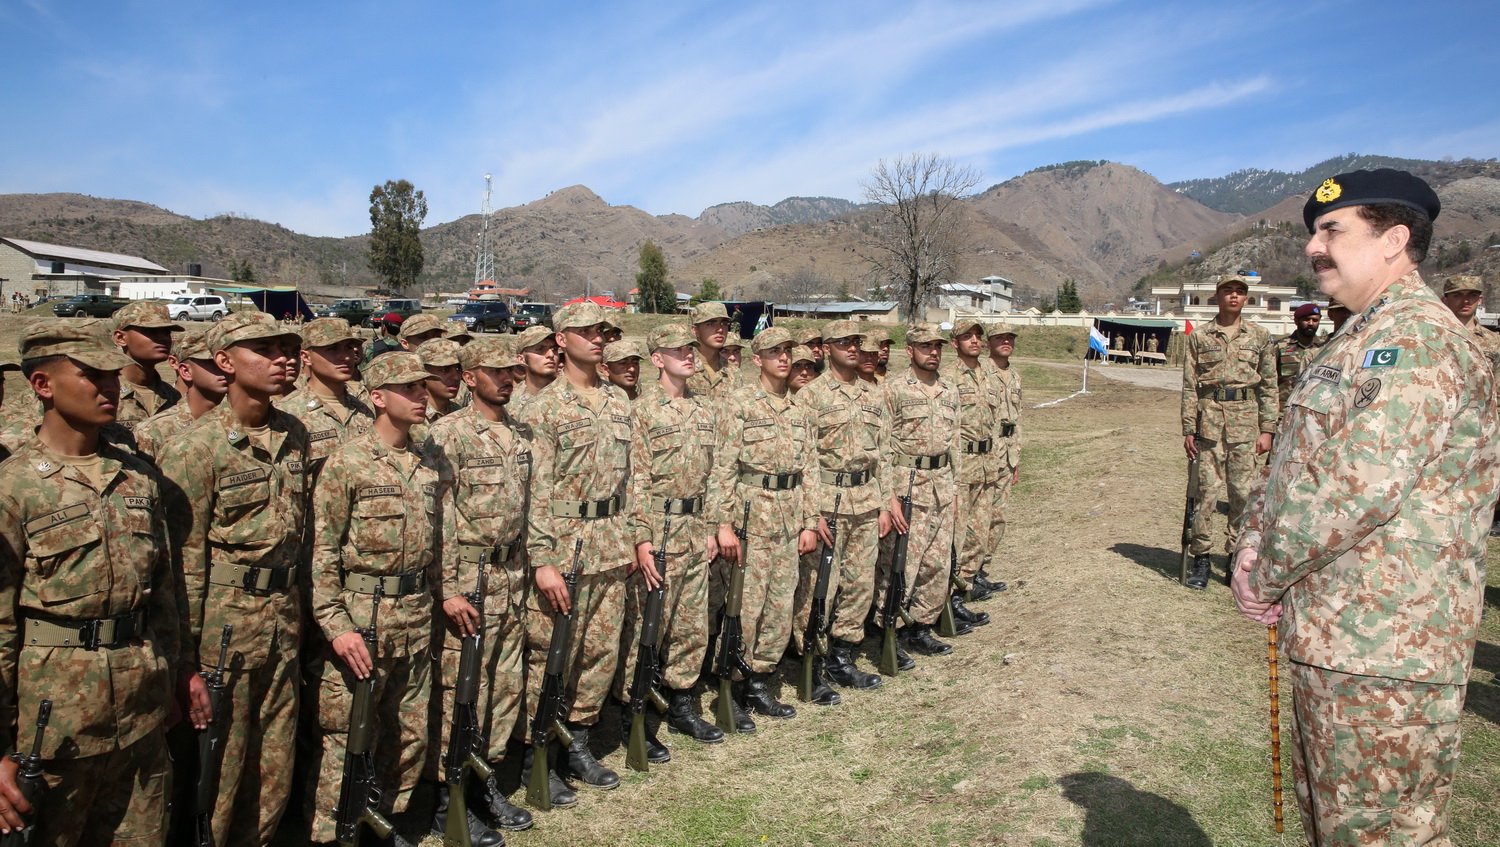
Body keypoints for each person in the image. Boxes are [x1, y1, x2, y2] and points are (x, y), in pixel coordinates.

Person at [1231, 168, 1499, 846]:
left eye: (1331, 231)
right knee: (1339, 824)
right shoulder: (1352, 339)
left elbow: (1355, 485)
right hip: (1342, 641)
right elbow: (1298, 462)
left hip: (1387, 655)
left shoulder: (1416, 338)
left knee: (1378, 833)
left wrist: (1261, 575)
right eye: (1314, 233)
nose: (1314, 248)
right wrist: (1253, 538)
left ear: (1393, 239)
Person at [0, 321, 186, 846]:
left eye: (114, 375)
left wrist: (169, 677)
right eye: (92, 376)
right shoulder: (14, 487)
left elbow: (164, 595)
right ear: (42, 385)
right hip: (53, 724)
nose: (113, 388)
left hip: (140, 708)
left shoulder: (138, 478)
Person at [157, 312, 311, 847]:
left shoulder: (295, 434)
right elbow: (182, 564)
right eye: (264, 350)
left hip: (282, 624)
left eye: (288, 348)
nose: (282, 358)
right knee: (217, 769)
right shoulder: (195, 448)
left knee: (275, 763)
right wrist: (184, 663)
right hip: (223, 634)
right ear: (224, 362)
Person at [305, 351, 450, 845]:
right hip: (363, 619)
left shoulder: (429, 459)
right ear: (377, 398)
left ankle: (386, 820)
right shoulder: (347, 462)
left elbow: (439, 542)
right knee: (350, 736)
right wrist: (336, 625)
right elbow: (321, 551)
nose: (419, 397)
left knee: (409, 734)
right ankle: (333, 831)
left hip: (416, 613)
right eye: (407, 389)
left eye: (421, 388)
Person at [512, 301, 634, 797]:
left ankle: (578, 741)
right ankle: (536, 753)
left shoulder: (620, 402)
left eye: (601, 331)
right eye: (585, 331)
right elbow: (533, 492)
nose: (597, 339)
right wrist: (542, 560)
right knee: (551, 654)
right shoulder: (540, 408)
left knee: (600, 653)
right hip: (565, 545)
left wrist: (635, 538)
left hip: (611, 543)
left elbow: (634, 479)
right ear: (561, 340)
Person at [425, 337, 537, 831]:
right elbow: (438, 518)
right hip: (469, 578)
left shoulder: (522, 434)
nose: (507, 379)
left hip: (512, 575)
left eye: (512, 371)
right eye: (495, 372)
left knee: (505, 684)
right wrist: (446, 587)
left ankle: (482, 779)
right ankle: (448, 793)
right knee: (460, 687)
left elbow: (534, 508)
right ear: (468, 377)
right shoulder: (446, 435)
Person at [616, 323, 726, 757]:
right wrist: (641, 539)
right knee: (649, 628)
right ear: (657, 359)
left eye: (690, 348)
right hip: (658, 528)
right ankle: (635, 713)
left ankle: (682, 705)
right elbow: (635, 480)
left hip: (696, 529)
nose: (688, 354)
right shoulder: (641, 411)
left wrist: (715, 524)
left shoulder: (706, 410)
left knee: (691, 627)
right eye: (677, 349)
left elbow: (717, 473)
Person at [708, 326, 819, 728]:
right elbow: (722, 467)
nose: (784, 359)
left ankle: (760, 680)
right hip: (750, 520)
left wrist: (810, 521)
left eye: (788, 351)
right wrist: (721, 524)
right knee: (745, 609)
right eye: (774, 353)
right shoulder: (737, 403)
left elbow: (811, 470)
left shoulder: (801, 408)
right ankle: (732, 684)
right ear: (757, 359)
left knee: (779, 606)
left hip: (790, 520)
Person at [791, 320, 889, 694]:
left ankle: (842, 658)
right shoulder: (810, 396)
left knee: (859, 584)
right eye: (844, 342)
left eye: (856, 342)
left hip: (865, 500)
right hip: (827, 500)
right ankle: (811, 661)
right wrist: (812, 513)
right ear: (827, 348)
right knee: (819, 587)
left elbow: (884, 454)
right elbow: (803, 460)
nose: (852, 348)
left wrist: (884, 501)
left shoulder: (873, 394)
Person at [1180, 274, 1277, 589]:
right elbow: (1189, 385)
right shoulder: (1200, 336)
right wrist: (1188, 428)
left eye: (1240, 292)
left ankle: (1237, 556)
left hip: (1245, 426)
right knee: (1206, 493)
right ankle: (1202, 560)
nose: (1234, 296)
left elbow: (1269, 386)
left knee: (1243, 494)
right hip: (1209, 425)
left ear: (1246, 298)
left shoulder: (1259, 336)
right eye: (1227, 291)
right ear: (1217, 296)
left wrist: (1268, 430)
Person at [875, 324, 961, 658]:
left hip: (942, 484)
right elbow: (880, 447)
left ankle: (922, 627)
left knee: (936, 563)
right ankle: (890, 629)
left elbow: (955, 442)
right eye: (926, 347)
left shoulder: (949, 389)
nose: (933, 352)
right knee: (901, 563)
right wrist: (888, 498)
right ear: (910, 351)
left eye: (937, 347)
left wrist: (955, 489)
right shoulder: (893, 389)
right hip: (907, 484)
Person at [946, 318, 1000, 621]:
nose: (975, 341)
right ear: (956, 343)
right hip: (962, 465)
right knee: (956, 535)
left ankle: (964, 589)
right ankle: (947, 598)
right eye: (968, 336)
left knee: (978, 535)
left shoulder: (988, 376)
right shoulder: (949, 378)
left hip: (986, 464)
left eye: (979, 336)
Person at [275, 318, 374, 478]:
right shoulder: (287, 413)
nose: (345, 357)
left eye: (348, 347)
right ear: (306, 357)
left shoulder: (365, 409)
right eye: (333, 348)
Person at [133, 327, 227, 462]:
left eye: (225, 360)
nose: (222, 368)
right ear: (186, 371)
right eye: (210, 362)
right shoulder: (153, 432)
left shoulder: (243, 420)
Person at [983, 324, 1021, 593]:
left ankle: (981, 568)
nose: (1006, 342)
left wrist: (1016, 458)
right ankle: (967, 571)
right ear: (989, 342)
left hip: (1007, 453)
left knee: (998, 517)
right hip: (985, 454)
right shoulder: (980, 373)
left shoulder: (1015, 375)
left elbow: (1018, 419)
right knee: (979, 517)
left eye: (1010, 338)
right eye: (1000, 338)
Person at [110, 300, 184, 431]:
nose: (163, 338)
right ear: (121, 338)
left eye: (166, 331)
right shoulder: (106, 394)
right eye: (151, 331)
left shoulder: (172, 396)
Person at [1272, 304, 1327, 426]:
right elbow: (1269, 382)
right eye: (1307, 319)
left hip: (1314, 414)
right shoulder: (1280, 347)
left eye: (1315, 320)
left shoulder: (1326, 348)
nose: (1311, 323)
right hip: (1284, 414)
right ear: (1296, 321)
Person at [686, 302, 736, 398]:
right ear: (695, 330)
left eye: (724, 323)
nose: (720, 329)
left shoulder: (732, 371)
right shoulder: (683, 368)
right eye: (711, 324)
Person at [510, 326, 558, 419]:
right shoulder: (511, 403)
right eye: (540, 349)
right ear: (521, 359)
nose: (551, 355)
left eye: (554, 349)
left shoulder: (573, 393)